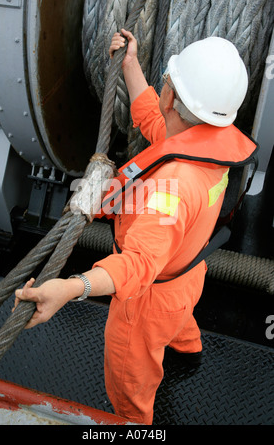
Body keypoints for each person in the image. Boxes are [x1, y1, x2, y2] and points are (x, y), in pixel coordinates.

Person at [14, 29, 258, 424]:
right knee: (179, 320)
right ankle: (189, 348)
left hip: (147, 303)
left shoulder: (174, 189)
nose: (160, 87)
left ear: (172, 98)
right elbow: (150, 115)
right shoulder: (208, 143)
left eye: (165, 79)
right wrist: (130, 64)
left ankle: (136, 424)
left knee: (130, 379)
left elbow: (138, 264)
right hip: (187, 275)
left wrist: (71, 287)